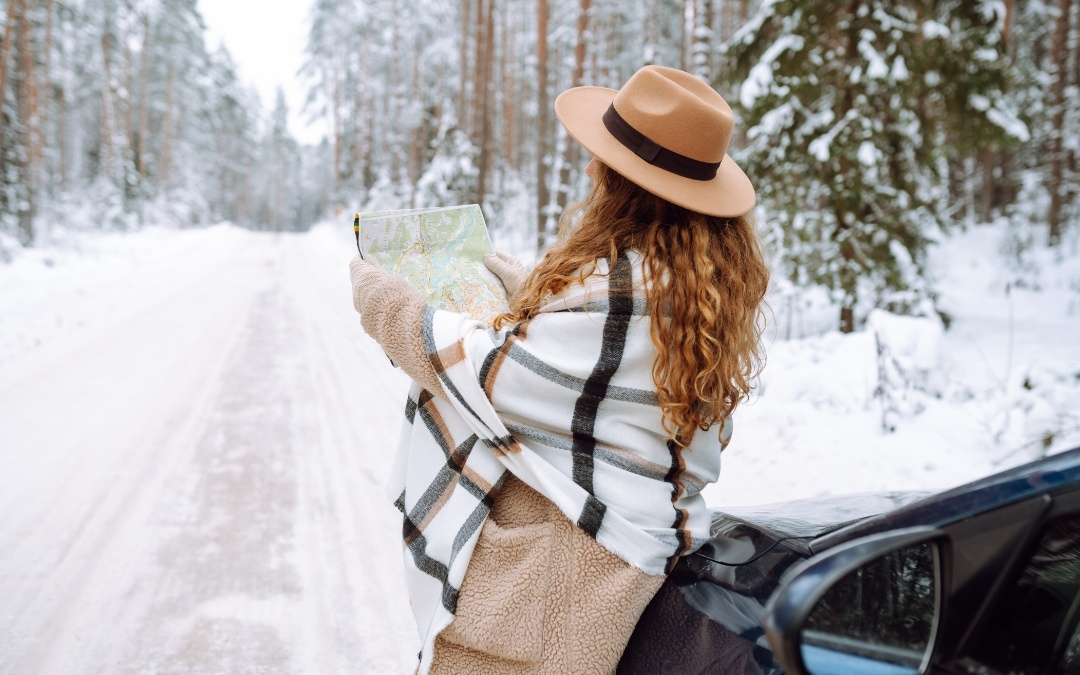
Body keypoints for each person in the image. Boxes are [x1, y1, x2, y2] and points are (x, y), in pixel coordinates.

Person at [350, 65, 769, 674]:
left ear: (622, 179)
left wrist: (384, 301)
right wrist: (514, 279)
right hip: (616, 554)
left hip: (567, 575)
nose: (591, 169)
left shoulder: (629, 291)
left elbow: (494, 373)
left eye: (602, 158)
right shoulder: (688, 281)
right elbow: (592, 359)